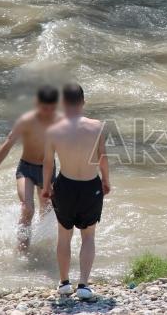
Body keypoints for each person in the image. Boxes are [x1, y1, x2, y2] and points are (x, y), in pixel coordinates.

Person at [42, 83, 110, 300]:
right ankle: (83, 285)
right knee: (88, 236)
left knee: (64, 235)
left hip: (65, 186)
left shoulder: (53, 129)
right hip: (90, 186)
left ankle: (64, 283)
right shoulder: (97, 126)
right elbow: (102, 157)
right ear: (83, 102)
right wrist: (106, 181)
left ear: (63, 103)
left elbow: (48, 163)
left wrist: (46, 186)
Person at [0, 85, 61, 250]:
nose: (47, 113)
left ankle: (43, 248)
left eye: (51, 109)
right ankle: (22, 253)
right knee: (28, 209)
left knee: (47, 210)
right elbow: (7, 146)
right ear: (37, 104)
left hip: (48, 170)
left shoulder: (60, 122)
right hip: (26, 169)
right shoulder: (26, 121)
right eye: (44, 108)